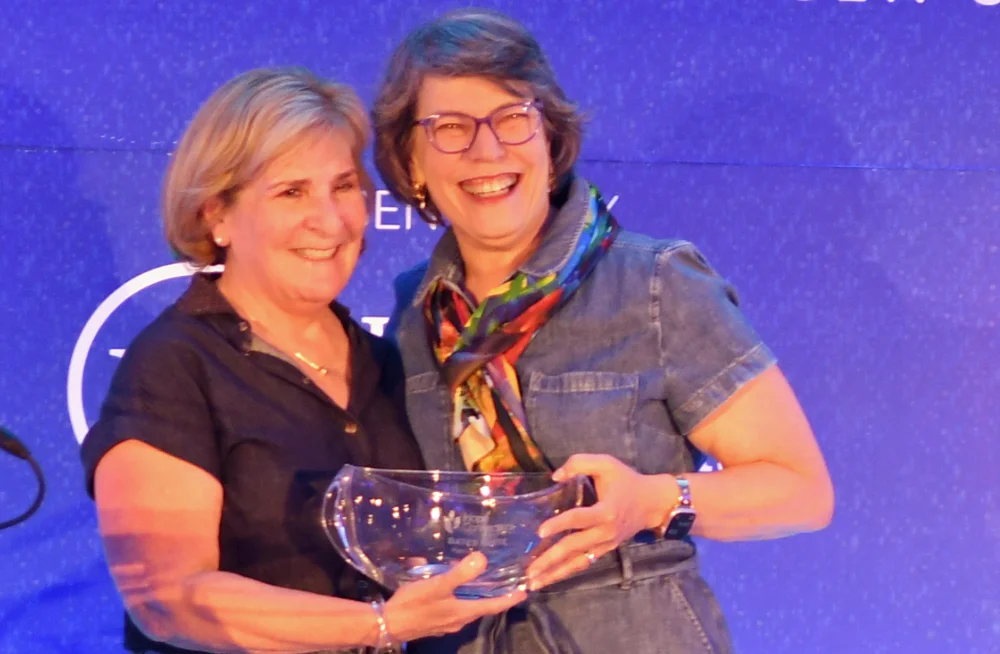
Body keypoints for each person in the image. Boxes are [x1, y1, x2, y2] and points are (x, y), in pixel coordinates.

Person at [373, 9, 835, 654]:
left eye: (512, 118)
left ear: (550, 136)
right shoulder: (408, 315)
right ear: (411, 161)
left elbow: (801, 490)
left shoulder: (653, 283)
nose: (488, 150)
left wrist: (650, 501)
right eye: (449, 128)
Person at [80, 67, 524, 654]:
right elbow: (168, 599)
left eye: (343, 187)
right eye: (292, 191)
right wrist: (381, 625)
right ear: (217, 215)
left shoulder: (396, 363)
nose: (331, 220)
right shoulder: (171, 367)